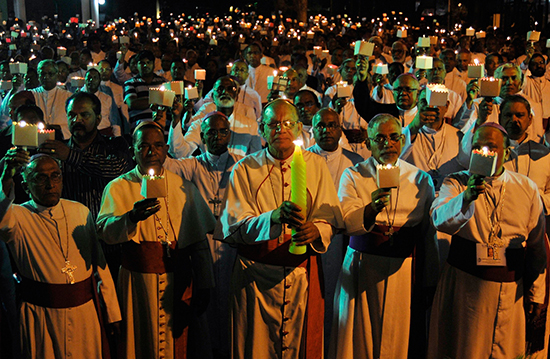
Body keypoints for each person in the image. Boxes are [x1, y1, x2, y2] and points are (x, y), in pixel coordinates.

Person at [216, 99, 344, 358]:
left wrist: (317, 230)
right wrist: (272, 218)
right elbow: (233, 227)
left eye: (287, 123)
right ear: (262, 130)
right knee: (256, 346)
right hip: (255, 278)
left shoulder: (316, 165)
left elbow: (329, 216)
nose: (281, 129)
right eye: (273, 124)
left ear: (299, 129)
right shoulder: (245, 168)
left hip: (300, 276)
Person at [97, 121, 216, 358]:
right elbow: (106, 234)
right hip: (137, 283)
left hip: (178, 280)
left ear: (166, 149)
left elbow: (198, 244)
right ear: (133, 150)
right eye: (144, 146)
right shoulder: (118, 187)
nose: (152, 152)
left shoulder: (184, 187)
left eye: (158, 145)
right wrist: (131, 218)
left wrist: (205, 283)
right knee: (140, 343)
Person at [428, 123, 547, 358]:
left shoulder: (527, 188)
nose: (483, 152)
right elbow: (439, 220)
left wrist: (536, 294)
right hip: (466, 289)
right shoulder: (456, 182)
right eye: (477, 147)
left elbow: (536, 247)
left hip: (511, 291)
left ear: (507, 152)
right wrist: (467, 197)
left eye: (491, 147)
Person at [330, 114, 439, 359]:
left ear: (402, 141)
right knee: (358, 340)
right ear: (368, 144)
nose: (388, 143)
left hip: (403, 271)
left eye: (393, 138)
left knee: (399, 338)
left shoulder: (421, 179)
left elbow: (428, 235)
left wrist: (429, 278)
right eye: (379, 138)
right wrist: (371, 208)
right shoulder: (353, 175)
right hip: (362, 267)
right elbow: (347, 221)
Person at [0, 151, 121, 358]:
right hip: (41, 318)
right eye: (40, 177)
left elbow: (99, 265)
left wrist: (113, 313)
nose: (50, 184)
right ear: (25, 186)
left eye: (55, 176)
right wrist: (5, 178)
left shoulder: (80, 211)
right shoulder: (17, 216)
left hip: (85, 316)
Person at [164, 112, 241, 358]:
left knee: (232, 297)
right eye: (210, 132)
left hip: (232, 243)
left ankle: (231, 348)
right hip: (204, 244)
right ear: (202, 136)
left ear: (229, 133)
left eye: (222, 131)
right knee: (206, 298)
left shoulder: (242, 164)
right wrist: (169, 121)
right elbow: (165, 164)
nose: (216, 136)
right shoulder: (193, 165)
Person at [306, 107, 363, 347]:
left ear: (340, 130)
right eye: (320, 125)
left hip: (344, 241)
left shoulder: (356, 162)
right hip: (313, 240)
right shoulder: (301, 160)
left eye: (331, 125)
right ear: (313, 130)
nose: (326, 130)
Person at [38, 92, 133, 219]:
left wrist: (70, 155)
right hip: (69, 225)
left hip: (107, 225)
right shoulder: (57, 151)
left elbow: (115, 168)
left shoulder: (114, 144)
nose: (77, 120)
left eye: (84, 115)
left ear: (98, 119)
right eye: (71, 115)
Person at [169, 77, 261, 158]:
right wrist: (176, 119)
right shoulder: (201, 124)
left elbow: (255, 159)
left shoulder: (251, 126)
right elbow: (179, 153)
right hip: (208, 175)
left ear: (236, 96)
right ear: (213, 96)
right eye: (220, 89)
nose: (225, 92)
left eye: (230, 89)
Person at [30, 60, 73, 139]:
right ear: (38, 76)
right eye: (43, 74)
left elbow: (73, 123)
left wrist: (58, 128)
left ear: (57, 75)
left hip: (61, 140)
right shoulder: (31, 94)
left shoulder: (68, 96)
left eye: (50, 74)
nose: (46, 77)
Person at [123, 50, 166, 128]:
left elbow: (168, 102)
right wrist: (158, 98)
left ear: (153, 64)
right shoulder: (130, 83)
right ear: (136, 65)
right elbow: (132, 103)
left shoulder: (163, 82)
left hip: (161, 126)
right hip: (140, 127)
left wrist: (146, 101)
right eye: (142, 63)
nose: (145, 66)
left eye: (149, 62)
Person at [82, 68, 122, 137]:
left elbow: (114, 120)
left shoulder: (107, 98)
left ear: (100, 80)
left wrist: (117, 136)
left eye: (95, 78)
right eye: (89, 78)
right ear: (85, 79)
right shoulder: (80, 98)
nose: (92, 80)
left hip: (104, 132)